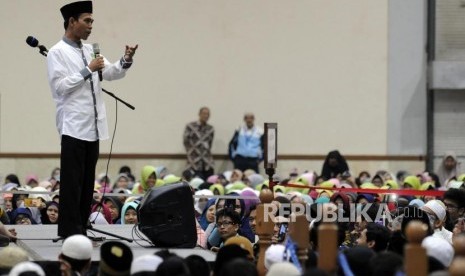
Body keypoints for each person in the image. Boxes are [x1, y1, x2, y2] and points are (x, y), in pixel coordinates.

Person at [47, 1, 138, 238]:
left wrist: (125, 60)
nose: (90, 26)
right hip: (73, 127)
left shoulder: (90, 50)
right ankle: (69, 232)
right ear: (72, 22)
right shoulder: (57, 52)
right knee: (72, 184)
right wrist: (87, 70)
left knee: (87, 184)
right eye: (87, 21)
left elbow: (109, 73)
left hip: (94, 127)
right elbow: (60, 87)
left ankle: (82, 228)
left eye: (92, 21)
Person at [183, 107, 215, 180]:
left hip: (207, 162)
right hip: (194, 162)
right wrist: (191, 152)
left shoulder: (210, 128)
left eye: (208, 114)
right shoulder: (190, 126)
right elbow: (185, 141)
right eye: (204, 114)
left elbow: (210, 143)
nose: (206, 116)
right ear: (199, 114)